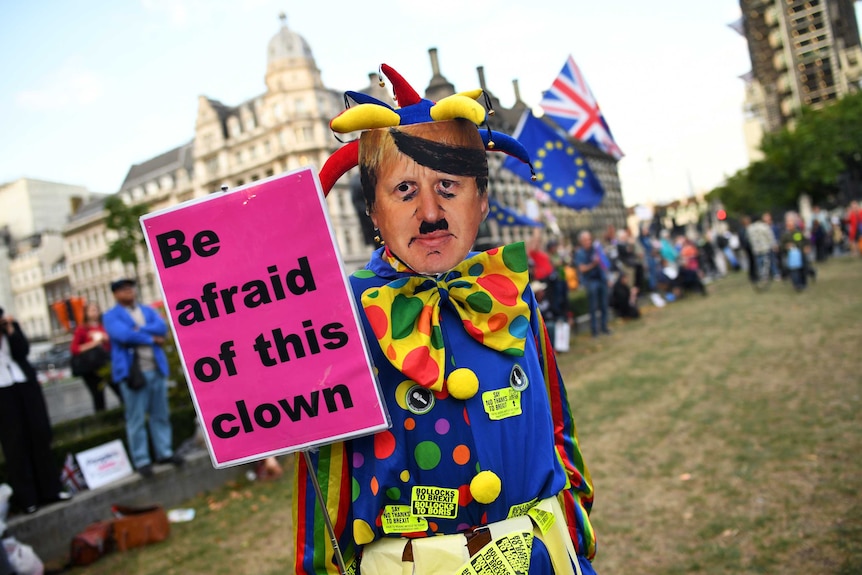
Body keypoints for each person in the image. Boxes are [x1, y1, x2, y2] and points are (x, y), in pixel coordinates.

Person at [295, 65, 597, 575]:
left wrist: (576, 526)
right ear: (373, 210)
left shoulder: (512, 294)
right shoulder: (341, 317)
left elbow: (558, 425)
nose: (431, 213)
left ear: (481, 201)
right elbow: (326, 478)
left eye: (450, 187)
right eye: (405, 191)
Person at [103, 279, 183, 478]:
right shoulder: (111, 316)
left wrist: (140, 330)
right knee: (136, 418)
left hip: (155, 368)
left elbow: (162, 328)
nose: (129, 292)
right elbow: (123, 336)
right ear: (116, 294)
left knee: (160, 413)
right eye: (124, 289)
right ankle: (142, 460)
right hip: (133, 374)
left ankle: (165, 452)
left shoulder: (146, 310)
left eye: (131, 288)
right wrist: (149, 338)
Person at [0, 307, 71, 514]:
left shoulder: (11, 328)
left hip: (24, 383)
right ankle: (27, 498)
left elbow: (22, 351)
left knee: (40, 434)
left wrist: (11, 330)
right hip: (3, 391)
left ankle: (52, 490)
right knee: (14, 443)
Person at [70, 302, 119, 412]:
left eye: (96, 310)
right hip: (91, 367)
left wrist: (105, 338)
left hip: (107, 363)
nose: (94, 313)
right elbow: (74, 349)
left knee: (118, 388)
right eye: (91, 310)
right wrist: (94, 343)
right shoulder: (82, 329)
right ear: (86, 313)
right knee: (98, 396)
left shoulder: (105, 326)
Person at [574, 230, 611, 337]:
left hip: (601, 279)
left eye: (589, 239)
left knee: (604, 305)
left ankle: (604, 327)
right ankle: (595, 331)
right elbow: (582, 269)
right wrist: (593, 264)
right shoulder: (579, 253)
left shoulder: (596, 249)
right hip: (591, 282)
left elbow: (604, 263)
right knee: (593, 307)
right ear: (581, 241)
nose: (588, 242)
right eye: (585, 240)